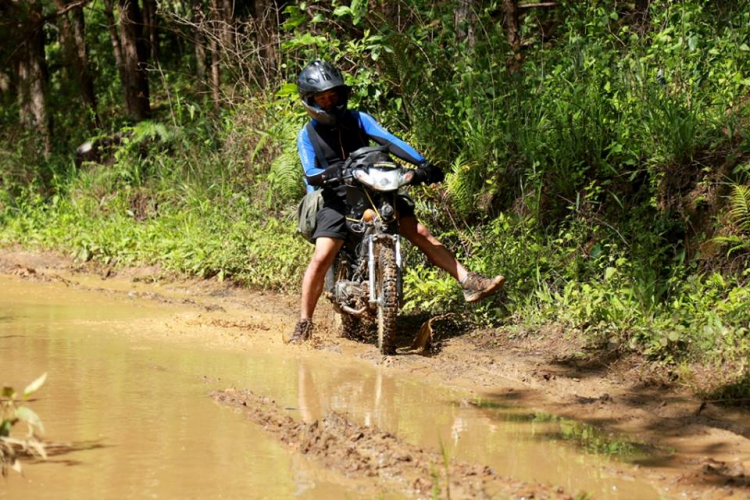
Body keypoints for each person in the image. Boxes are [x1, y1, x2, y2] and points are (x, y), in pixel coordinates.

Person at [287, 60, 505, 344]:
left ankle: (468, 282)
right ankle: (304, 323)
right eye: (322, 98)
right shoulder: (307, 135)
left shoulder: (359, 119)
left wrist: (423, 164)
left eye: (333, 96)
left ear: (341, 95)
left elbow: (390, 142)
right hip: (337, 198)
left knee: (419, 231)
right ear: (310, 101)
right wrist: (332, 173)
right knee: (322, 256)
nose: (329, 102)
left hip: (376, 190)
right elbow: (310, 171)